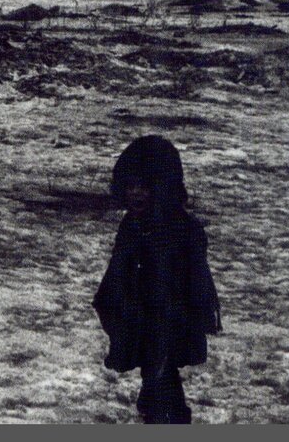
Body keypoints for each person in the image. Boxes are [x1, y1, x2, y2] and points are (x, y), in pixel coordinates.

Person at [93, 136, 222, 424]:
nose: (135, 194)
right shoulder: (132, 225)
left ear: (161, 187)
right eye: (130, 186)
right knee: (154, 388)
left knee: (162, 388)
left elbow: (189, 285)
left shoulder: (181, 229)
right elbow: (118, 272)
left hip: (168, 324)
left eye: (144, 186)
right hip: (141, 320)